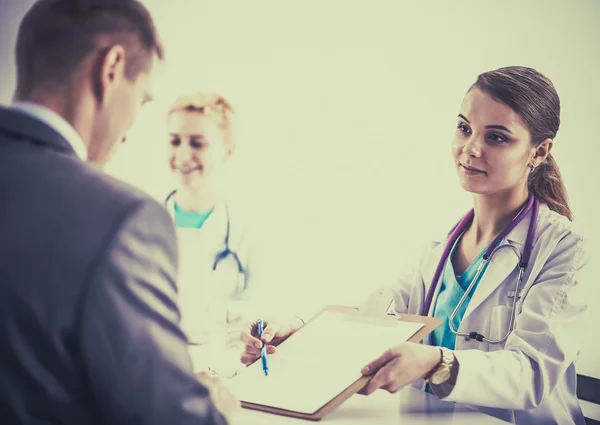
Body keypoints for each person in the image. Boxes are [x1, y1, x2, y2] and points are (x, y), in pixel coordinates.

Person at [240, 66, 588, 425]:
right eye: (465, 128)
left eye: (496, 138)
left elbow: (531, 373)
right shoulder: (442, 243)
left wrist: (437, 362)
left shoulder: (562, 249)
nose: (471, 149)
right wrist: (301, 336)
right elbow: (378, 318)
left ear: (539, 151)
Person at [0, 0, 236, 423]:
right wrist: (213, 409)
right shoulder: (121, 219)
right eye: (142, 101)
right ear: (110, 68)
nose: (128, 132)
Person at [164, 92, 264, 375]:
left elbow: (261, 313)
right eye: (175, 141)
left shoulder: (248, 230)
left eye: (198, 143)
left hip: (224, 372)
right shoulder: (141, 224)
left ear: (227, 151)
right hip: (157, 369)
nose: (183, 154)